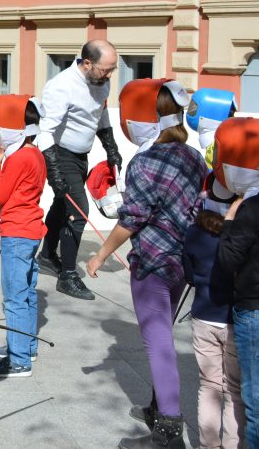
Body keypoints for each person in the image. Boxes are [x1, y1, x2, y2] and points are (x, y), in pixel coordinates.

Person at [85, 79, 205, 449]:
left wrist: (101, 254)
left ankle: (169, 433)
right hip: (181, 264)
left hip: (152, 263)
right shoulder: (194, 157)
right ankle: (157, 407)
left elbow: (132, 218)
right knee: (163, 338)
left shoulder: (145, 161)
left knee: (159, 344)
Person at [38, 39, 123, 300]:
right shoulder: (61, 87)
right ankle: (68, 276)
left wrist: (111, 148)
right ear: (87, 63)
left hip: (81, 155)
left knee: (62, 206)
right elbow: (46, 132)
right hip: (60, 154)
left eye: (113, 69)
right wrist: (54, 172)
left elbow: (101, 115)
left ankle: (46, 254)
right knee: (77, 212)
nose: (109, 75)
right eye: (105, 69)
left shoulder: (101, 81)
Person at [0, 94, 47, 378]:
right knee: (27, 293)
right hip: (31, 230)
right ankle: (25, 345)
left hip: (18, 233)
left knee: (14, 297)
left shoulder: (19, 157)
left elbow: (1, 195)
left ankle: (19, 359)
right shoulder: (35, 153)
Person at [182, 173, 244, 449]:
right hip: (232, 318)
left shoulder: (194, 232)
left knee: (209, 386)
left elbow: (189, 274)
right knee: (234, 390)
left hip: (203, 313)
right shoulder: (242, 234)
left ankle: (209, 445)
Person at [214, 116, 259, 449]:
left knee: (254, 398)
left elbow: (229, 260)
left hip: (253, 309)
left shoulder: (249, 210)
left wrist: (228, 224)